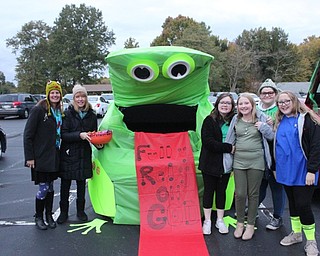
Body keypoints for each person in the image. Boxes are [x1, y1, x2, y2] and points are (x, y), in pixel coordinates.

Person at [274, 91, 320, 256]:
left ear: (294, 101)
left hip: (304, 172)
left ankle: (311, 241)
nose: (284, 104)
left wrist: (312, 170)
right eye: (280, 102)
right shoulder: (279, 121)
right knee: (292, 204)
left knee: (303, 205)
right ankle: (296, 234)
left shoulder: (308, 119)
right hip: (286, 171)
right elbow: (276, 145)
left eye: (287, 101)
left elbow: (316, 146)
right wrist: (274, 168)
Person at [227, 93, 274, 240]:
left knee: (253, 195)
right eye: (241, 104)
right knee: (240, 194)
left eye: (246, 103)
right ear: (238, 106)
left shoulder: (261, 119)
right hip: (239, 161)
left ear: (252, 105)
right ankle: (240, 223)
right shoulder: (236, 119)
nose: (243, 106)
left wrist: (264, 127)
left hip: (256, 160)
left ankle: (250, 225)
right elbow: (230, 139)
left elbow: (271, 136)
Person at [57, 84, 103, 224]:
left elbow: (93, 134)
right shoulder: (67, 113)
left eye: (83, 96)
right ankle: (63, 213)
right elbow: (63, 135)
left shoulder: (92, 114)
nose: (80, 99)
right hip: (68, 153)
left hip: (83, 153)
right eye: (78, 96)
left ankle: (80, 211)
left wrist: (98, 143)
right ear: (74, 98)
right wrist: (80, 135)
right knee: (65, 184)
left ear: (86, 97)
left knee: (81, 184)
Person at [24, 80, 64, 230]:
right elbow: (28, 135)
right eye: (52, 92)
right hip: (40, 157)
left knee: (51, 188)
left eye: (57, 92)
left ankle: (49, 215)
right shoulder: (39, 110)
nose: (55, 95)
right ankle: (39, 216)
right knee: (43, 188)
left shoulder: (59, 111)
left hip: (54, 156)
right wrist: (30, 157)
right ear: (47, 94)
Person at [199, 93, 236, 235]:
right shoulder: (209, 120)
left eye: (228, 103)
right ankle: (207, 220)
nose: (225, 105)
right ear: (217, 104)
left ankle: (219, 220)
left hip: (226, 164)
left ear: (232, 106)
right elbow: (208, 143)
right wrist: (229, 148)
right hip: (209, 163)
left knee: (221, 192)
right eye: (222, 102)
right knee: (208, 191)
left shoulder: (234, 120)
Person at [257, 79, 286, 230]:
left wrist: (272, 126)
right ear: (260, 95)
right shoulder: (255, 109)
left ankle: (278, 216)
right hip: (259, 155)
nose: (267, 95)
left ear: (275, 94)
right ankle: (254, 209)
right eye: (264, 92)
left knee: (276, 187)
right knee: (259, 185)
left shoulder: (281, 110)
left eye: (270, 92)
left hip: (276, 156)